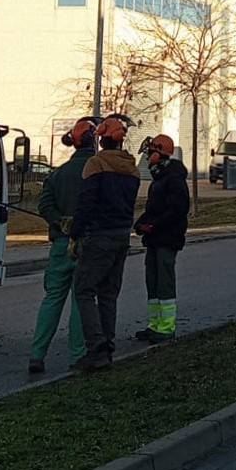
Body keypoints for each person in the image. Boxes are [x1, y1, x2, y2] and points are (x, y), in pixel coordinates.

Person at [70, 116, 140, 371]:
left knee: (84, 290)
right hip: (122, 236)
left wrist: (75, 233)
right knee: (109, 293)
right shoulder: (132, 167)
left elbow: (86, 203)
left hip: (98, 236)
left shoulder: (95, 164)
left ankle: (96, 347)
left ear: (102, 139)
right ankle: (107, 345)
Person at [27, 119, 95, 373]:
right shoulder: (96, 171)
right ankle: (77, 354)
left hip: (61, 243)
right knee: (80, 299)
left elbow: (44, 206)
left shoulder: (59, 174)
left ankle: (37, 354)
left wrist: (59, 220)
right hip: (86, 242)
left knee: (53, 298)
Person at [133, 134, 189, 344]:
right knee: (153, 282)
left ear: (159, 153)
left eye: (149, 153)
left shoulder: (173, 178)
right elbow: (153, 209)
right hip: (155, 239)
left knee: (164, 283)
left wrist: (154, 226)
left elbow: (178, 209)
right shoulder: (160, 178)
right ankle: (154, 324)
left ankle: (166, 328)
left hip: (166, 238)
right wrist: (140, 223)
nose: (147, 158)